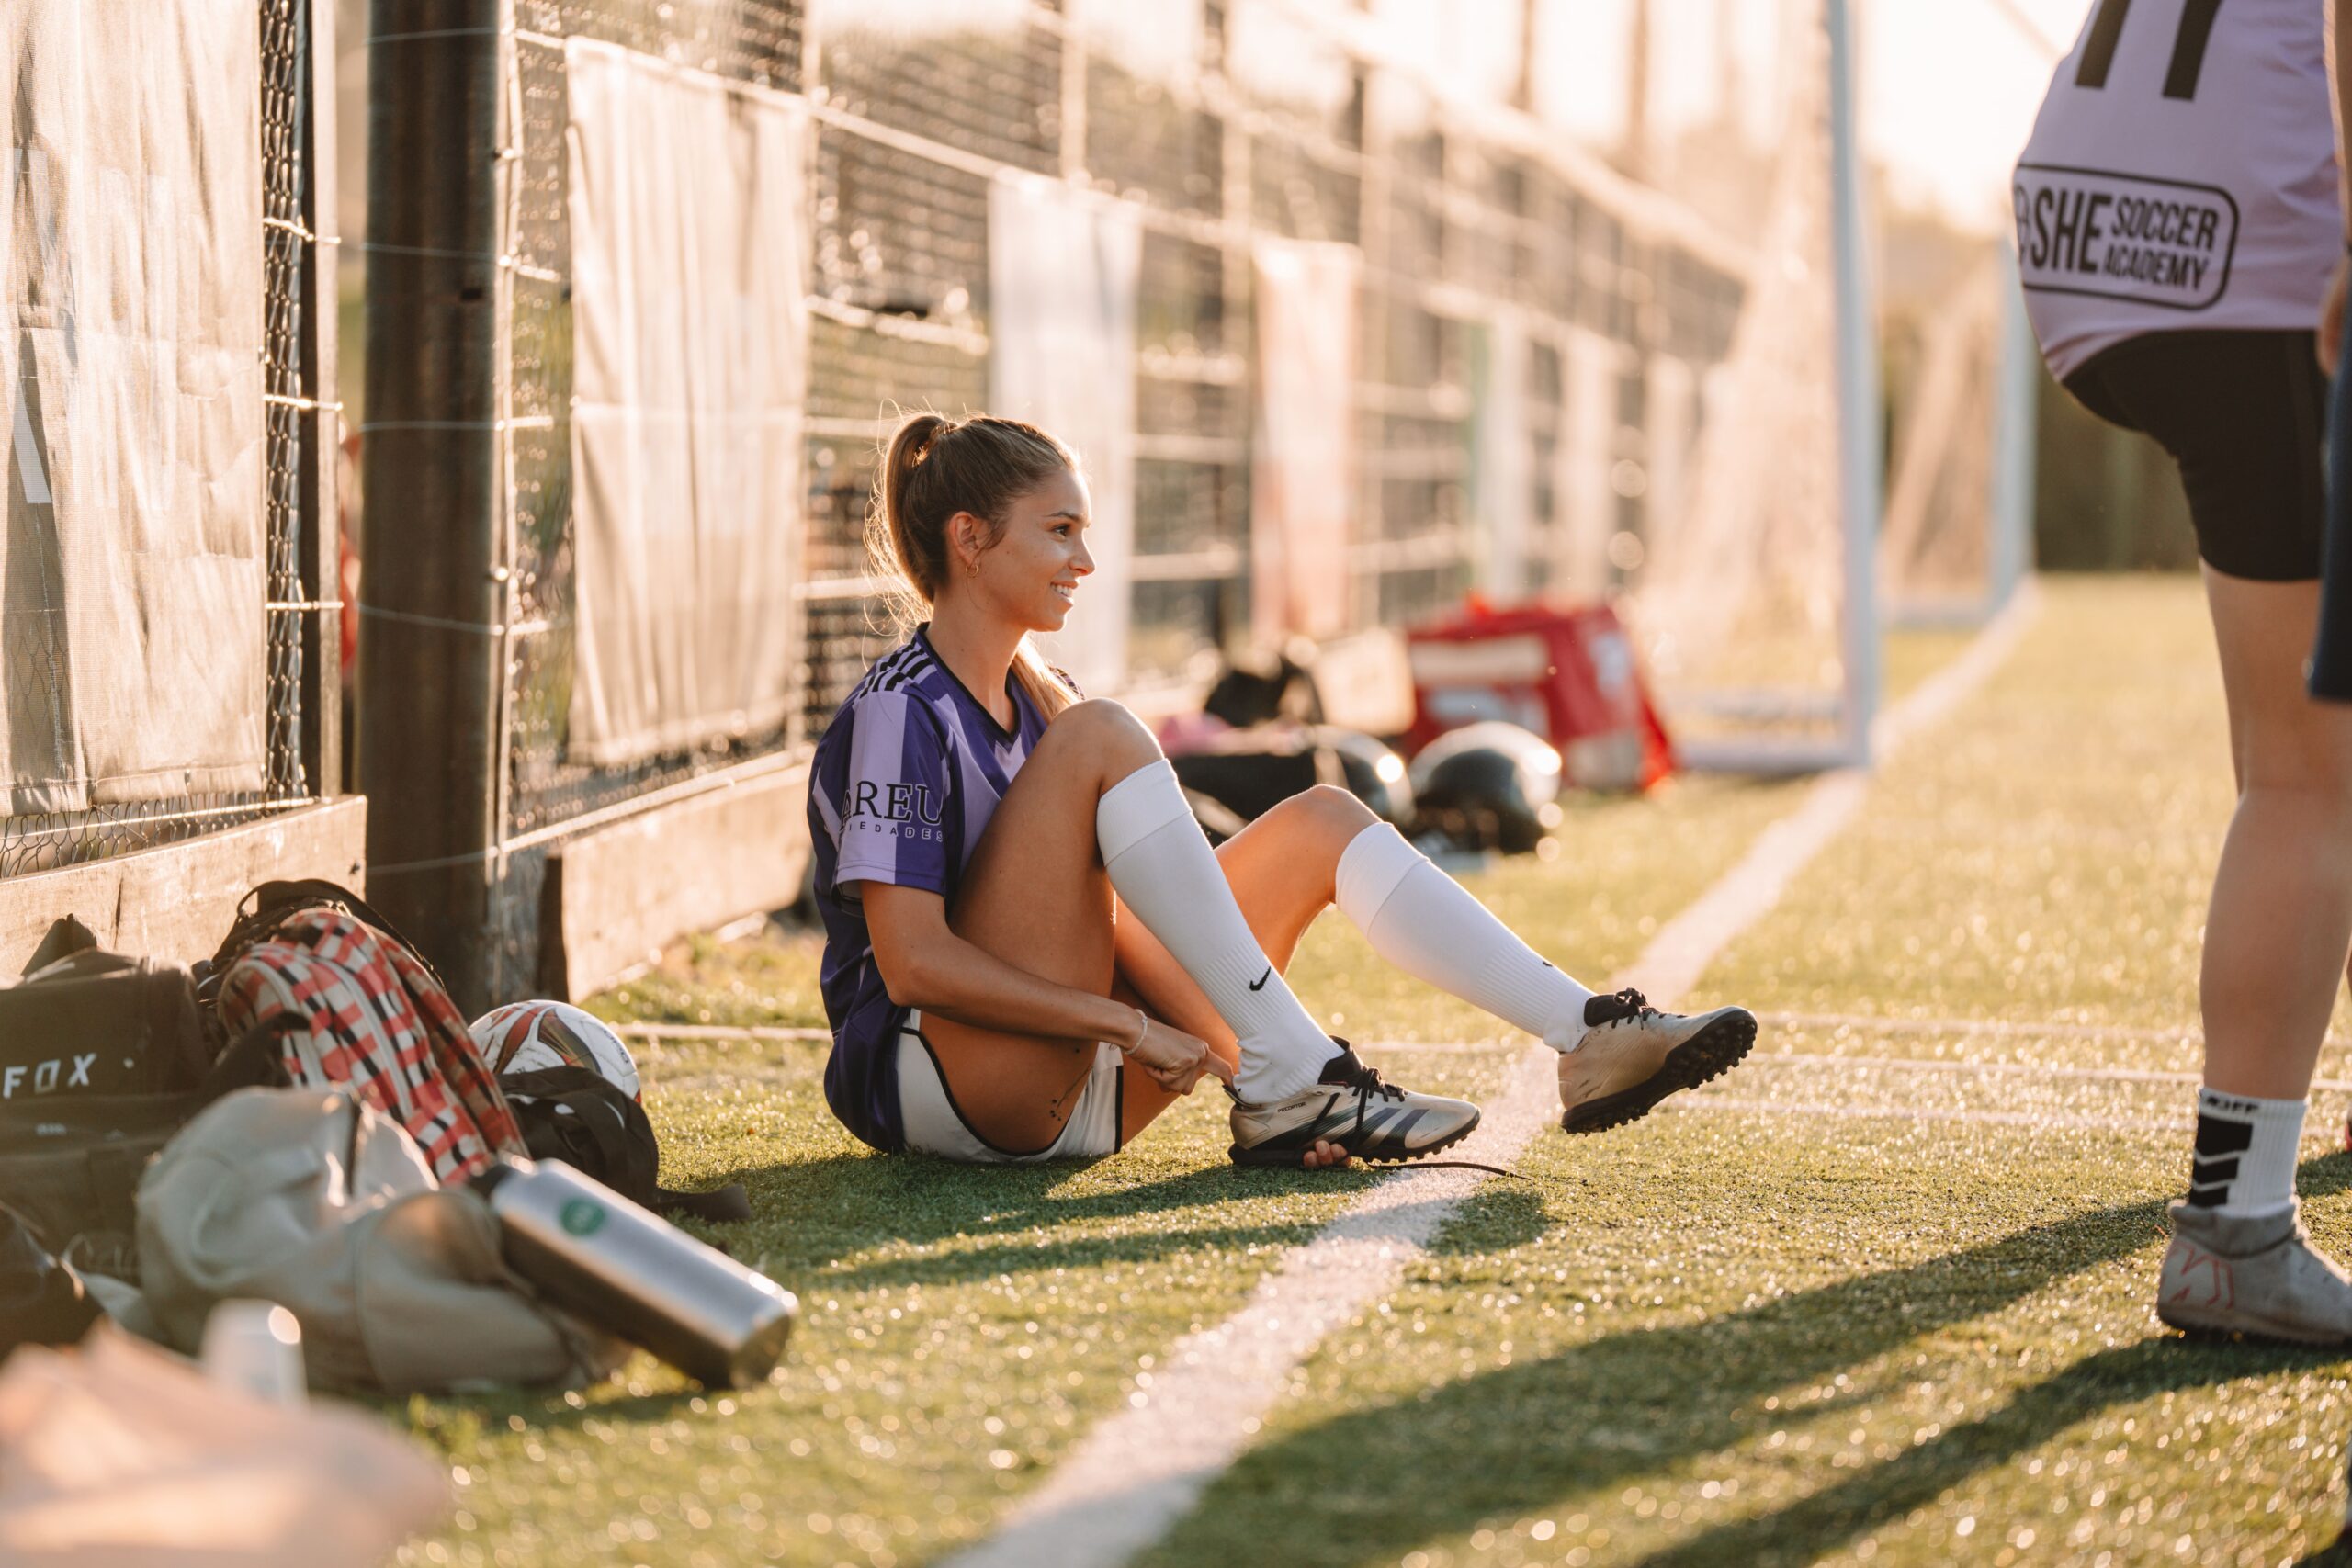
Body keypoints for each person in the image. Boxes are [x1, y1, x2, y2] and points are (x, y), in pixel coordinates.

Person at [803, 412, 1758, 1168]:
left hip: (1078, 1087)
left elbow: (1132, 932)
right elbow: (915, 967)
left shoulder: (1046, 703)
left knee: (1324, 822)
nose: (1085, 563)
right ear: (969, 540)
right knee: (1104, 735)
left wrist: (1231, 1059)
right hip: (943, 1085)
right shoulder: (904, 711)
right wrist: (1127, 1026)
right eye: (1059, 532)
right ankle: (1297, 1075)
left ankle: (1580, 1036)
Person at [2016, 0, 2352, 1341]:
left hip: (2097, 227)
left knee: (2301, 766)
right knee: (2311, 779)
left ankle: (2253, 1167)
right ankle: (2235, 1226)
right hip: (2255, 234)